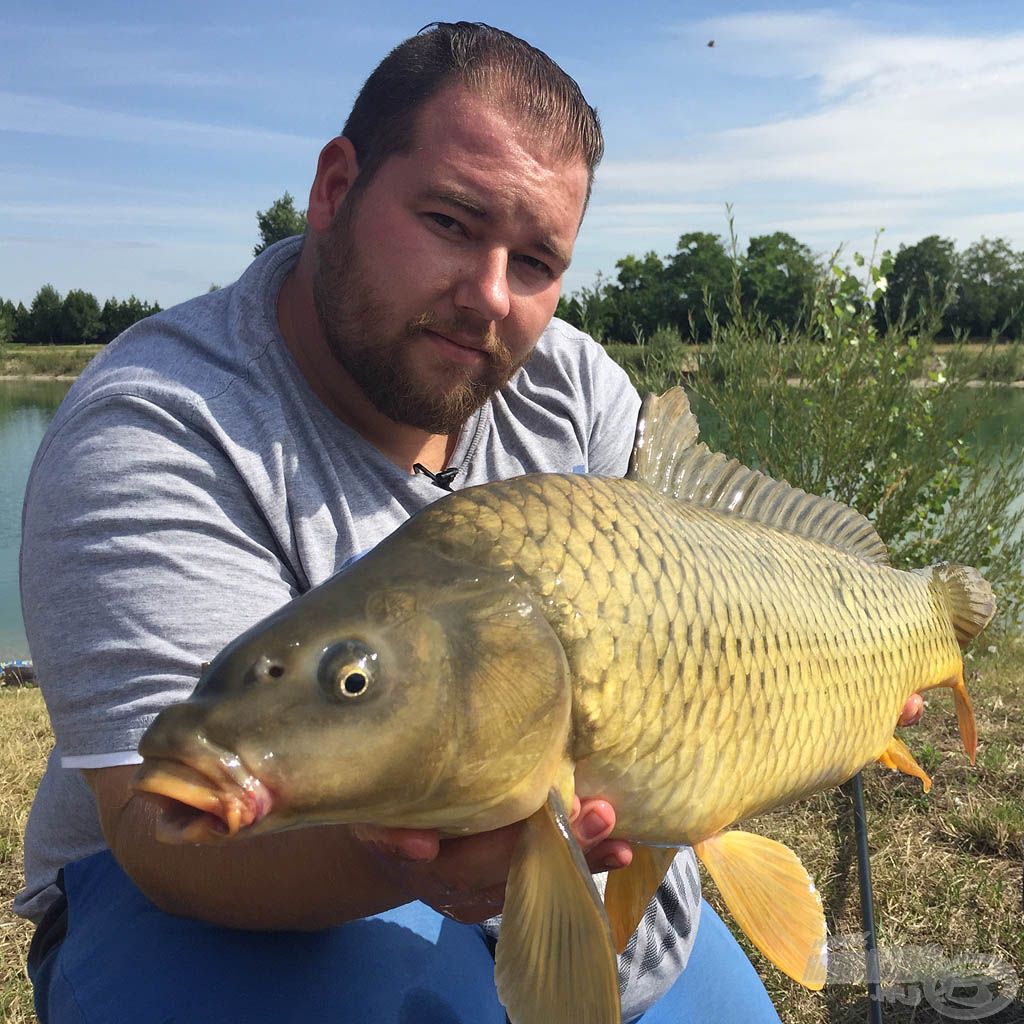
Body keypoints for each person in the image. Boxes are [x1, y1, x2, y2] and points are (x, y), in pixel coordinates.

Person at [17, 22, 922, 1024]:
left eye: (535, 259)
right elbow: (159, 838)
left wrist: (814, 688)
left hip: (587, 880)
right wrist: (412, 851)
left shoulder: (569, 382)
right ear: (334, 190)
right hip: (224, 913)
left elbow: (712, 603)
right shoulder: (157, 425)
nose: (490, 295)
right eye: (450, 221)